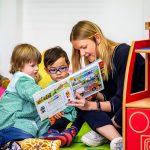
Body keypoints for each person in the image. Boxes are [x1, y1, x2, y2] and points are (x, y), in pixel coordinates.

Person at [66, 20, 145, 150]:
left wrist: (91, 106)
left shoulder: (122, 53)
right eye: (78, 50)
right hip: (118, 107)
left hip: (132, 108)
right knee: (80, 105)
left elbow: (121, 101)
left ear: (97, 38)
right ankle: (116, 138)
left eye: (84, 47)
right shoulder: (101, 60)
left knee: (94, 108)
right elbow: (109, 94)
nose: (82, 54)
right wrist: (95, 95)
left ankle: (107, 132)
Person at [0, 43, 51, 147]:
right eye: (32, 65)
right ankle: (15, 145)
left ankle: (38, 140)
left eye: (37, 64)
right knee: (27, 131)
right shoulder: (22, 79)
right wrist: (50, 95)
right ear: (19, 65)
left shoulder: (21, 80)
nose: (37, 68)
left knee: (41, 117)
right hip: (13, 124)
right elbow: (36, 95)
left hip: (11, 125)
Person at [40, 46, 78, 146]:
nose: (58, 73)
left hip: (77, 111)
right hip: (64, 116)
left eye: (62, 68)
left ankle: (70, 132)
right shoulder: (49, 88)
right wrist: (53, 112)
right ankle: (53, 135)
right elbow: (47, 106)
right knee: (59, 123)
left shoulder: (74, 80)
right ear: (47, 70)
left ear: (68, 65)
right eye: (53, 70)